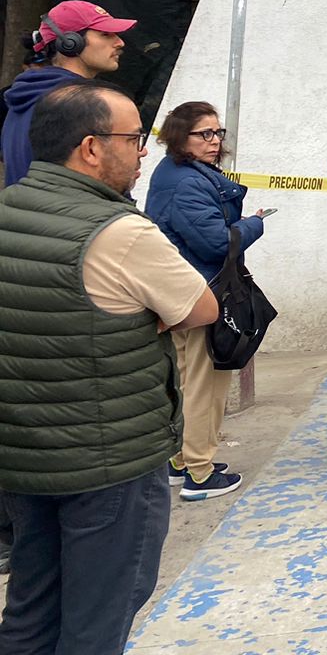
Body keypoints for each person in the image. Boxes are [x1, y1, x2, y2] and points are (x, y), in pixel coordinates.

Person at [0, 81, 218, 653]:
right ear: (91, 148)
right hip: (110, 459)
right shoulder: (120, 232)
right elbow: (201, 308)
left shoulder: (9, 209)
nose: (142, 151)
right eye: (133, 138)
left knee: (32, 607)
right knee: (98, 619)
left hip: (25, 455)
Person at [144, 101, 266, 502]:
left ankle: (180, 459)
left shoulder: (177, 173)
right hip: (201, 291)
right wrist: (253, 225)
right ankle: (199, 470)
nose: (215, 142)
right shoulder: (187, 182)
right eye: (204, 134)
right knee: (205, 384)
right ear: (181, 136)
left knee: (183, 379)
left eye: (218, 133)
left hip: (182, 289)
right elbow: (216, 242)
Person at [2, 0, 137, 186]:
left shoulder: (29, 94)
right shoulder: (76, 102)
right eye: (106, 34)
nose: (119, 42)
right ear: (70, 43)